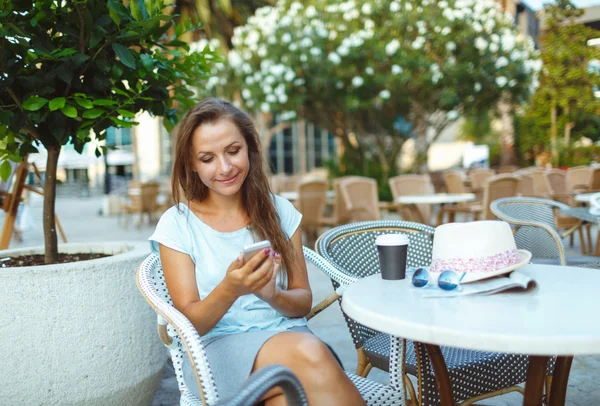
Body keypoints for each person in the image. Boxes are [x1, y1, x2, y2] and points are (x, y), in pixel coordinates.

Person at [149, 98, 365, 405]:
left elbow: (302, 303)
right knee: (313, 356)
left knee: (290, 395)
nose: (224, 168)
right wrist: (231, 288)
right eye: (207, 158)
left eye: (233, 151)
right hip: (219, 350)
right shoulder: (178, 224)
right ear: (192, 164)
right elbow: (190, 325)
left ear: (250, 148)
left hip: (290, 337)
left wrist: (271, 295)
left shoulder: (280, 212)